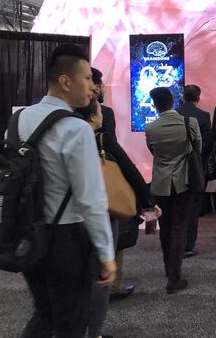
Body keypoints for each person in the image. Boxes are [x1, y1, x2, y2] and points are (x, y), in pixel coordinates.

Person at [18, 44, 116, 338]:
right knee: (72, 320)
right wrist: (105, 252)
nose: (93, 87)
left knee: (45, 312)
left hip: (28, 233)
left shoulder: (18, 120)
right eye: (87, 78)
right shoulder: (76, 129)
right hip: (67, 238)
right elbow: (91, 199)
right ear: (65, 81)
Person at [75, 98, 160, 338]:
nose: (104, 115)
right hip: (100, 211)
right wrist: (148, 202)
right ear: (93, 117)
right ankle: (95, 333)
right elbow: (129, 169)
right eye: (100, 111)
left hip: (68, 216)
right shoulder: (104, 139)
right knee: (101, 269)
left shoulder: (65, 136)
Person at [145, 87, 201, 294]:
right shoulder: (189, 123)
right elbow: (198, 148)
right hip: (184, 182)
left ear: (155, 105)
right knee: (179, 227)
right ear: (173, 101)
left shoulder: (151, 128)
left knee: (165, 227)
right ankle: (174, 276)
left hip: (160, 183)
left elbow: (153, 151)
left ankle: (169, 269)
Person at [91, 66, 135, 299]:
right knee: (110, 232)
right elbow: (112, 147)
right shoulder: (104, 113)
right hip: (102, 179)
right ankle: (114, 283)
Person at [176, 84, 212, 258]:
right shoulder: (204, 116)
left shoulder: (173, 113)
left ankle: (175, 242)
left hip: (174, 166)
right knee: (194, 205)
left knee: (176, 205)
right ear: (198, 98)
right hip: (195, 165)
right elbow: (207, 142)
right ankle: (189, 245)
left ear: (183, 96)